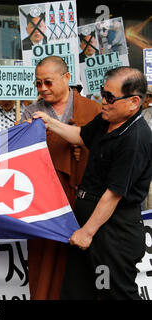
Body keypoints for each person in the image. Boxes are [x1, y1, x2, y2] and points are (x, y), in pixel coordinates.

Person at [34, 66, 151, 299]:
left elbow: (113, 194)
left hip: (112, 233)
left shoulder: (135, 138)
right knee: (76, 292)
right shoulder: (107, 119)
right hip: (88, 222)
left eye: (110, 97)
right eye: (102, 93)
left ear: (133, 102)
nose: (103, 101)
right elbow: (81, 136)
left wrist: (87, 233)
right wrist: (50, 122)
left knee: (111, 293)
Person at [20, 56, 101, 300]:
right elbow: (24, 157)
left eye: (48, 82)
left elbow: (104, 152)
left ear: (67, 78)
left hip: (86, 201)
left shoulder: (93, 109)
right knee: (46, 263)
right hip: (47, 204)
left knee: (83, 265)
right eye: (38, 84)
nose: (42, 88)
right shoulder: (32, 112)